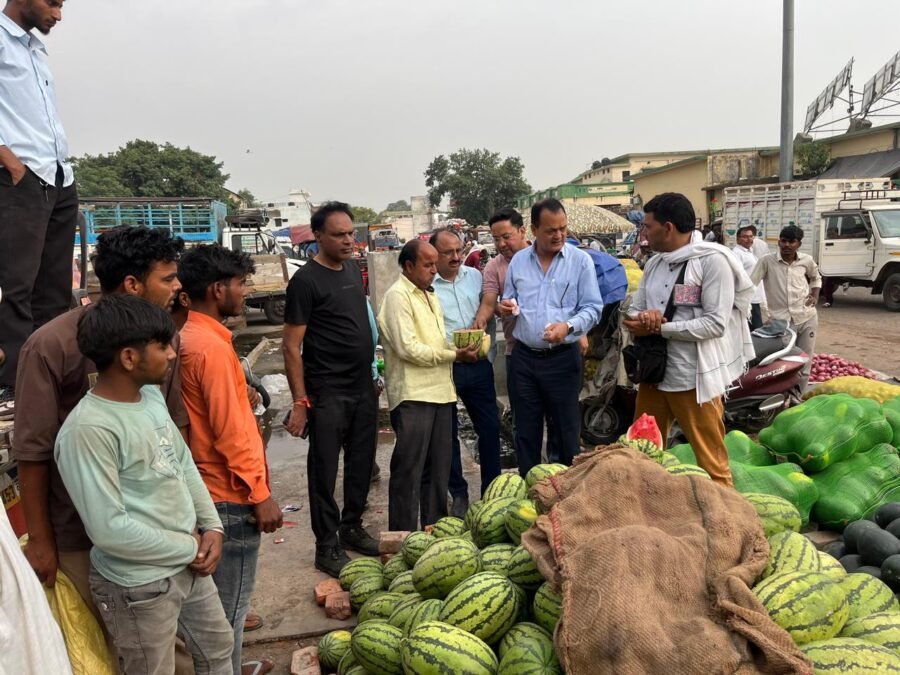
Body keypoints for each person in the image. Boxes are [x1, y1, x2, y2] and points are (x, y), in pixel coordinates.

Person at [12, 226, 197, 671]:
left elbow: (174, 433)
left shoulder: (163, 342)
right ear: (133, 284)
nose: (178, 288)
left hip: (158, 529)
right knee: (106, 649)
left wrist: (192, 516)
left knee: (170, 648)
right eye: (169, 279)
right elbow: (33, 451)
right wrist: (41, 540)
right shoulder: (52, 345)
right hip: (80, 534)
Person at [54, 294, 234, 674]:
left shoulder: (150, 397)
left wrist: (212, 526)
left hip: (190, 565)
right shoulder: (89, 430)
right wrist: (189, 545)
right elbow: (109, 529)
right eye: (161, 346)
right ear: (129, 358)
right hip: (138, 586)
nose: (171, 354)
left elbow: (182, 463)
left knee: (218, 649)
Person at [178, 245, 282, 675]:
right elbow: (232, 433)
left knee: (215, 614)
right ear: (218, 289)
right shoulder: (210, 349)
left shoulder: (188, 338)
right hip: (228, 495)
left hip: (205, 492)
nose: (245, 292)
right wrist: (260, 495)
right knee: (227, 615)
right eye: (240, 284)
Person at [624, 193, 755, 487]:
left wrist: (661, 329)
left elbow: (715, 323)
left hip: (693, 378)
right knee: (640, 458)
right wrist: (642, 318)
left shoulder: (712, 262)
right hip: (653, 374)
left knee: (712, 465)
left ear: (667, 227)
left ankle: (726, 525)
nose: (643, 233)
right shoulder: (655, 263)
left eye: (647, 226)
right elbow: (636, 306)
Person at [282, 202, 380, 578]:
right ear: (317, 236)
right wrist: (300, 401)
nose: (348, 240)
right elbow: (291, 346)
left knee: (361, 462)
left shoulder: (353, 270)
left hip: (361, 387)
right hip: (328, 391)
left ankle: (351, 526)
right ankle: (326, 545)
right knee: (324, 469)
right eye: (338, 234)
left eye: (350, 233)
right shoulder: (305, 282)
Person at [0, 0, 79, 415]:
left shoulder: (33, 47)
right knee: (18, 288)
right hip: (20, 177)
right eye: (53, 3)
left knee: (53, 292)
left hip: (57, 177)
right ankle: (14, 388)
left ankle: (52, 378)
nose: (58, 14)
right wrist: (8, 159)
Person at [377, 240, 480, 530]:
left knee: (437, 470)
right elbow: (409, 348)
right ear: (409, 266)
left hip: (441, 392)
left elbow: (435, 341)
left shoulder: (428, 294)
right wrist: (454, 354)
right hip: (414, 396)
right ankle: (402, 535)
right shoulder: (398, 297)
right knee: (409, 470)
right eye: (428, 264)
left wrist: (460, 345)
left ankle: (434, 530)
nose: (435, 270)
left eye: (435, 264)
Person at [499, 199, 603, 475]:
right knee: (526, 432)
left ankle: (566, 498)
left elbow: (593, 308)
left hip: (562, 360)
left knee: (566, 433)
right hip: (524, 359)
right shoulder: (519, 261)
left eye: (563, 229)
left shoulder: (580, 261)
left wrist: (567, 327)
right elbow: (509, 299)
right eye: (550, 230)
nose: (558, 235)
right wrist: (506, 306)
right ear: (534, 230)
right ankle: (529, 493)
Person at [431, 229, 501, 518]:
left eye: (458, 250)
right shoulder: (428, 286)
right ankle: (458, 493)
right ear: (433, 255)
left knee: (490, 428)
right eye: (447, 252)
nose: (456, 257)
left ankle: (492, 491)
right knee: (447, 434)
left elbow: (490, 308)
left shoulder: (475, 277)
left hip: (478, 365)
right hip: (446, 366)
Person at [751, 225, 821, 391]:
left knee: (804, 360)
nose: (787, 245)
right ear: (779, 242)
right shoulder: (767, 261)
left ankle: (798, 398)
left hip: (806, 317)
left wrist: (815, 295)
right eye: (784, 241)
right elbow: (749, 285)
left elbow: (816, 278)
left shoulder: (806, 260)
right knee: (781, 363)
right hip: (781, 323)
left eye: (792, 241)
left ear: (799, 244)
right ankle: (781, 397)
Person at [731, 225, 766, 330]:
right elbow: (737, 276)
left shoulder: (749, 251)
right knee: (756, 330)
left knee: (754, 329)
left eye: (751, 236)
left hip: (755, 297)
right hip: (748, 299)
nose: (749, 239)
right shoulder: (737, 253)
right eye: (745, 237)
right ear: (738, 239)